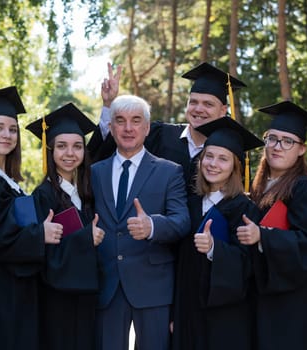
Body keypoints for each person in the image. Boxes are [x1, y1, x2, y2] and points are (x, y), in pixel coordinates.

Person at [0, 86, 63, 350]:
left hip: (15, 289)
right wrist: (39, 235)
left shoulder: (9, 181)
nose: (7, 135)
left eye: (12, 129)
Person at [91, 94, 190, 350]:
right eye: (120, 121)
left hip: (153, 285)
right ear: (111, 128)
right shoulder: (94, 172)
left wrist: (152, 226)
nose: (128, 128)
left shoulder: (170, 171)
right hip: (107, 285)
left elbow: (182, 221)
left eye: (136, 121)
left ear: (146, 128)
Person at [236, 101, 307, 350]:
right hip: (263, 297)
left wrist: (263, 236)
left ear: (301, 149)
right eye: (272, 138)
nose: (277, 147)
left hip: (293, 303)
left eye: (287, 141)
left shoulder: (306, 189)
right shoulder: (257, 187)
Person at [171, 117, 263, 350]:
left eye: (223, 159)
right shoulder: (189, 205)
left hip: (227, 317)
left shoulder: (245, 209)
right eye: (208, 156)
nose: (213, 164)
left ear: (235, 166)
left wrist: (214, 249)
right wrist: (174, 312)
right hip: (187, 312)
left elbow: (250, 264)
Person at [88, 62, 246, 193]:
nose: (198, 109)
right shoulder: (159, 134)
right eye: (193, 102)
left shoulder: (228, 151)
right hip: (150, 227)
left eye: (208, 104)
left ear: (223, 111)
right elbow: (107, 153)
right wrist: (109, 105)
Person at [25, 102, 105, 350]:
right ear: (50, 150)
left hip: (85, 297)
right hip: (57, 300)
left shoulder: (86, 193)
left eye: (77, 146)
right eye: (61, 146)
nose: (70, 153)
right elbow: (44, 253)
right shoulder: (44, 195)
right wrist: (85, 238)